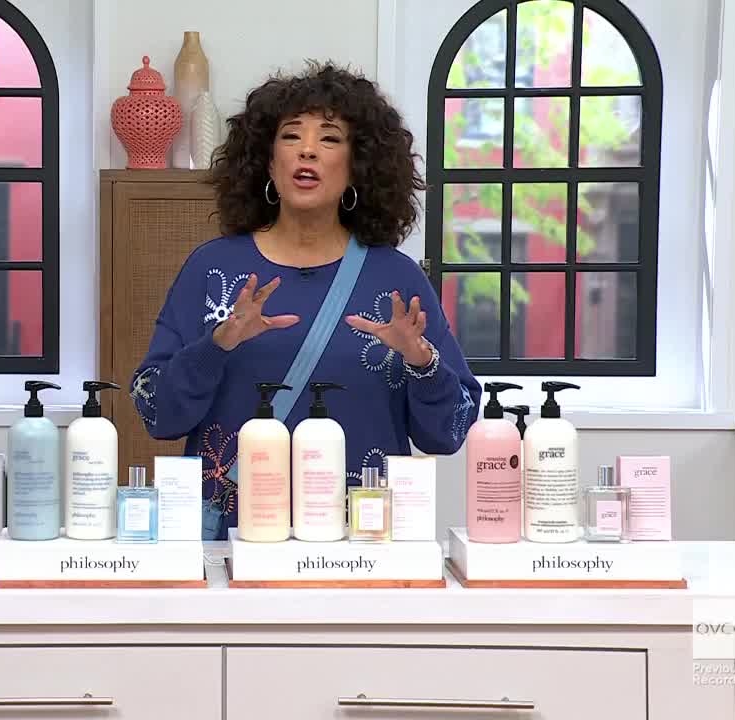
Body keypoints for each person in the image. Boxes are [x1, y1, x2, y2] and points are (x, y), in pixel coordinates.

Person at [129, 62, 481, 539]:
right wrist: (217, 344)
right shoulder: (213, 269)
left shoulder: (395, 278)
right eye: (291, 136)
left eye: (330, 138)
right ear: (268, 162)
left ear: (358, 166)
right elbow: (158, 414)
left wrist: (421, 360)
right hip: (233, 543)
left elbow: (449, 432)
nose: (308, 150)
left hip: (360, 543)